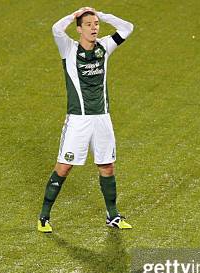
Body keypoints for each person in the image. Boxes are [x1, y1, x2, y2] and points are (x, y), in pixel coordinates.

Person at [37, 7, 134, 233]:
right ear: (79, 29)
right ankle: (44, 217)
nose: (94, 28)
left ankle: (113, 216)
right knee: (64, 167)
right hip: (78, 120)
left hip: (102, 118)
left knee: (107, 166)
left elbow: (127, 28)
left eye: (96, 24)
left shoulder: (104, 47)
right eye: (89, 24)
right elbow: (55, 29)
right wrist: (75, 15)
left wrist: (101, 13)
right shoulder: (69, 48)